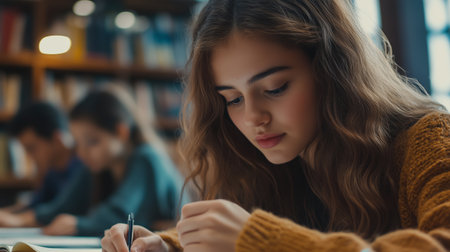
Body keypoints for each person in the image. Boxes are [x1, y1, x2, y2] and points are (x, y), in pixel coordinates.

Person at [101, 0, 450, 251]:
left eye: (275, 88)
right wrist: (168, 247)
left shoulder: (431, 139)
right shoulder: (272, 166)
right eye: (232, 99)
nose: (253, 118)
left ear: (333, 72)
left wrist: (259, 240)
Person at [42, 88, 187, 237]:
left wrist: (78, 224)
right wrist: (25, 218)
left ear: (121, 132)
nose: (81, 153)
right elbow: (65, 206)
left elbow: (119, 214)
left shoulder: (146, 158)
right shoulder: (99, 165)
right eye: (77, 144)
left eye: (92, 142)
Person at [0, 102, 90, 228]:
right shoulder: (51, 173)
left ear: (56, 139)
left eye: (31, 148)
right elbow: (33, 207)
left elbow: (59, 210)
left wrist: (17, 220)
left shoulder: (86, 165)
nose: (29, 157)